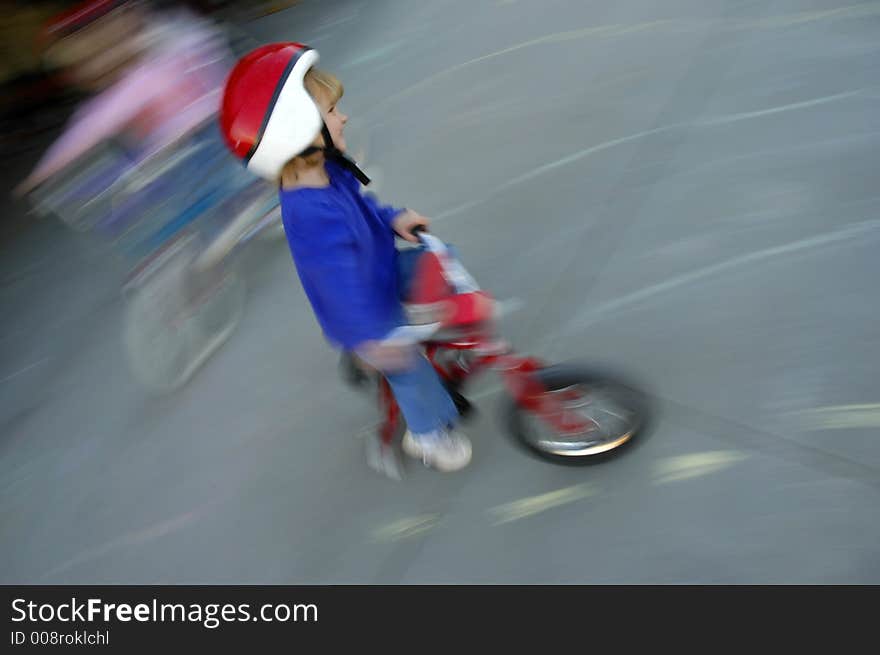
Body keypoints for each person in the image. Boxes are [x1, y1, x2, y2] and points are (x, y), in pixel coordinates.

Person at [219, 42, 472, 472]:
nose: (344, 117)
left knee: (443, 260)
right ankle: (426, 436)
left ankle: (433, 337)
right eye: (332, 111)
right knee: (408, 366)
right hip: (362, 312)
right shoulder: (309, 214)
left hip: (382, 270)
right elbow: (337, 289)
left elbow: (365, 204)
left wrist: (393, 219)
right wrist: (373, 340)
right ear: (297, 129)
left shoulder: (331, 170)